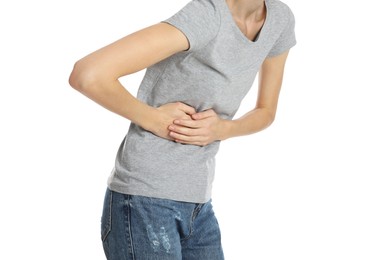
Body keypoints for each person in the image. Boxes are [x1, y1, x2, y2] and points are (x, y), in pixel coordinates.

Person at [69, 0, 296, 258]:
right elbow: (88, 74)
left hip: (198, 203)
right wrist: (154, 119)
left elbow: (266, 111)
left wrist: (223, 129)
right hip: (145, 201)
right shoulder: (208, 15)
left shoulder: (280, 20)